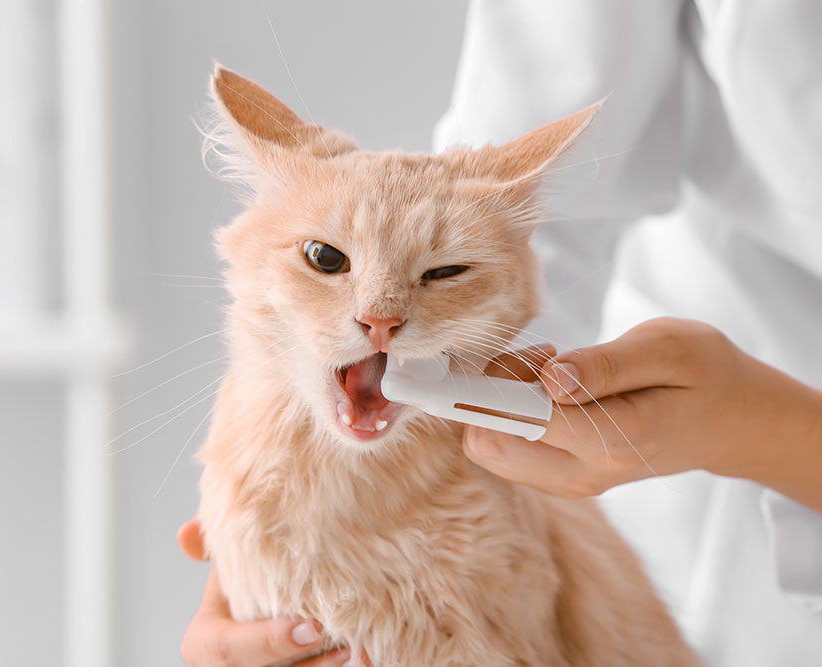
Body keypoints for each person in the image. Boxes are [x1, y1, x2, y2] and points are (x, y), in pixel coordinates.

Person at [180, 1, 822, 664]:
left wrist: (760, 428)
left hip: (744, 451)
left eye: (441, 271)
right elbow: (536, 217)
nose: (381, 315)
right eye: (327, 260)